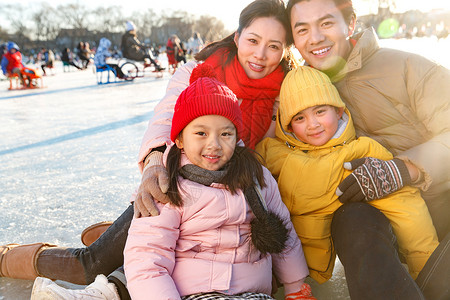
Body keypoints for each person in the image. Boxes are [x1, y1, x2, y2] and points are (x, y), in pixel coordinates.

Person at [1, 1, 299, 299]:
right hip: (177, 188)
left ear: (285, 49)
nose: (260, 55)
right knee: (91, 266)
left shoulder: (286, 88)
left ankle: (121, 241)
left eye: (274, 46)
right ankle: (9, 258)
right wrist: (155, 163)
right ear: (237, 37)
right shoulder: (196, 73)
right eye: (253, 40)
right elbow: (164, 121)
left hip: (233, 203)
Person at [33, 64, 314, 300]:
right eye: (201, 133)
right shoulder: (170, 186)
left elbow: (283, 231)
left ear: (237, 136)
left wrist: (294, 285)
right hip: (197, 291)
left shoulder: (257, 177)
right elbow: (147, 258)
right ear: (179, 139)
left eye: (225, 134)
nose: (214, 145)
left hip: (254, 291)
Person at [286, 0, 450, 299]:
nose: (315, 37)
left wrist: (405, 168)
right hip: (378, 223)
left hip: (442, 202)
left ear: (349, 23)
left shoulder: (407, 68)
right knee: (351, 220)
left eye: (325, 23)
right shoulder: (299, 94)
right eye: (302, 29)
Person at [256, 66, 439, 284]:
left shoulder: (361, 151)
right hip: (291, 274)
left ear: (339, 111)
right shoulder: (274, 153)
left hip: (345, 248)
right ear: (287, 126)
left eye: (320, 111)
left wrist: (429, 272)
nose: (312, 124)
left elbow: (407, 209)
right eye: (299, 118)